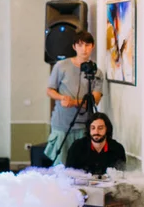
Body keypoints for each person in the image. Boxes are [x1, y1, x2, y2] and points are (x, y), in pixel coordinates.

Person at [44, 31, 104, 166]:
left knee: (81, 166)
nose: (84, 49)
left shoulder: (96, 72)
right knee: (61, 166)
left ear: (92, 46)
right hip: (62, 125)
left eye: (87, 45)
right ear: (74, 47)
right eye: (80, 45)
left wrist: (73, 103)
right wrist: (61, 98)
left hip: (84, 126)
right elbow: (49, 90)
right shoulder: (61, 66)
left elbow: (95, 100)